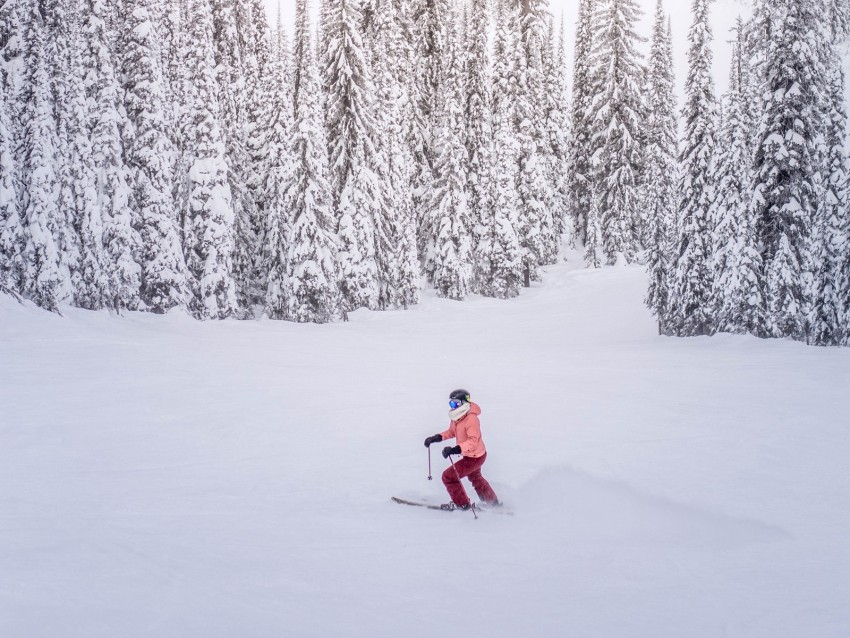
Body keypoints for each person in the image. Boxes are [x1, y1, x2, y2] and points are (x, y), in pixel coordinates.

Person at [423, 389, 500, 510]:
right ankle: (492, 502)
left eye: (455, 404)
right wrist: (436, 438)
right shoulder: (457, 417)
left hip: (475, 456)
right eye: (451, 404)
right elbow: (451, 432)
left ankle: (463, 504)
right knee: (475, 477)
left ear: (464, 403)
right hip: (471, 455)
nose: (452, 407)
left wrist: (455, 449)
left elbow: (473, 441)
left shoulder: (471, 419)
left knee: (448, 477)